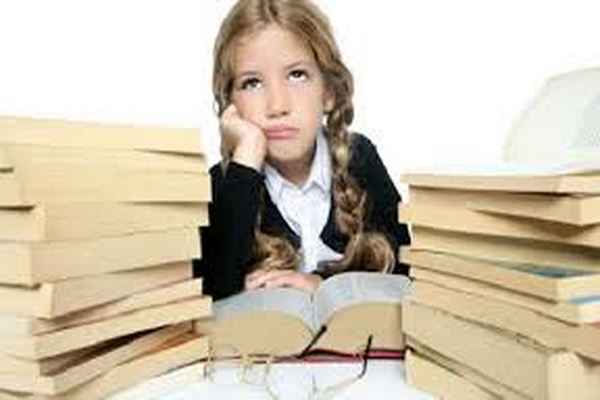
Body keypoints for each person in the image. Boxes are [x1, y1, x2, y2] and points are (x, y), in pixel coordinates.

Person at [194, 0, 410, 300]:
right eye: (252, 83)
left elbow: (407, 271)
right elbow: (211, 292)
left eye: (297, 75)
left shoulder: (359, 158)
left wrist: (322, 287)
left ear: (329, 92)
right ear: (230, 103)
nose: (277, 106)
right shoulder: (227, 183)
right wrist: (247, 156)